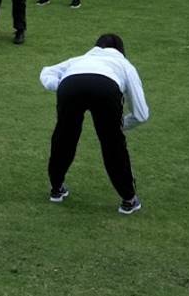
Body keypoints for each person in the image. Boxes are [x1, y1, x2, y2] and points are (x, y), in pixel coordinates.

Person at [39, 34, 149, 214]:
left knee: (64, 137)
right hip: (105, 87)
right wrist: (119, 125)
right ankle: (129, 199)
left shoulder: (79, 60)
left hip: (70, 84)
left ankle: (56, 188)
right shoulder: (125, 65)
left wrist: (61, 85)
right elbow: (141, 114)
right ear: (121, 51)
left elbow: (47, 72)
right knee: (112, 144)